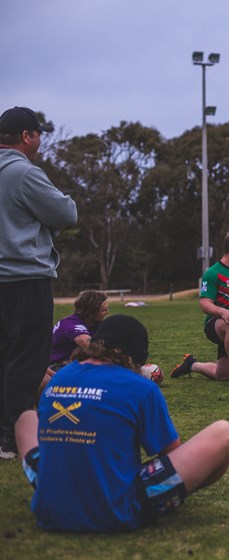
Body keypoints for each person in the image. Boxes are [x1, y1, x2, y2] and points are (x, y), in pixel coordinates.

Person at [14, 314, 229, 532]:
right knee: (225, 432)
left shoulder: (60, 378)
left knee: (26, 419)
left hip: (51, 510)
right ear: (136, 359)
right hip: (116, 511)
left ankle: (52, 486)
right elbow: (170, 453)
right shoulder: (140, 387)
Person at [0, 107, 77, 459]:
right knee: (27, 359)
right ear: (26, 136)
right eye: (38, 133)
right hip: (25, 278)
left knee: (4, 355)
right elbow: (66, 212)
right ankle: (14, 439)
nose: (40, 139)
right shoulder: (24, 172)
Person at [170, 229, 229, 387]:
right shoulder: (213, 273)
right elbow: (204, 303)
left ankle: (191, 364)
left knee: (222, 375)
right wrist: (223, 312)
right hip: (216, 325)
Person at [40, 290, 109, 391]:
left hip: (75, 364)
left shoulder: (95, 324)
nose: (107, 312)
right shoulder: (69, 324)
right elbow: (91, 346)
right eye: (103, 310)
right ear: (91, 312)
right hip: (56, 366)